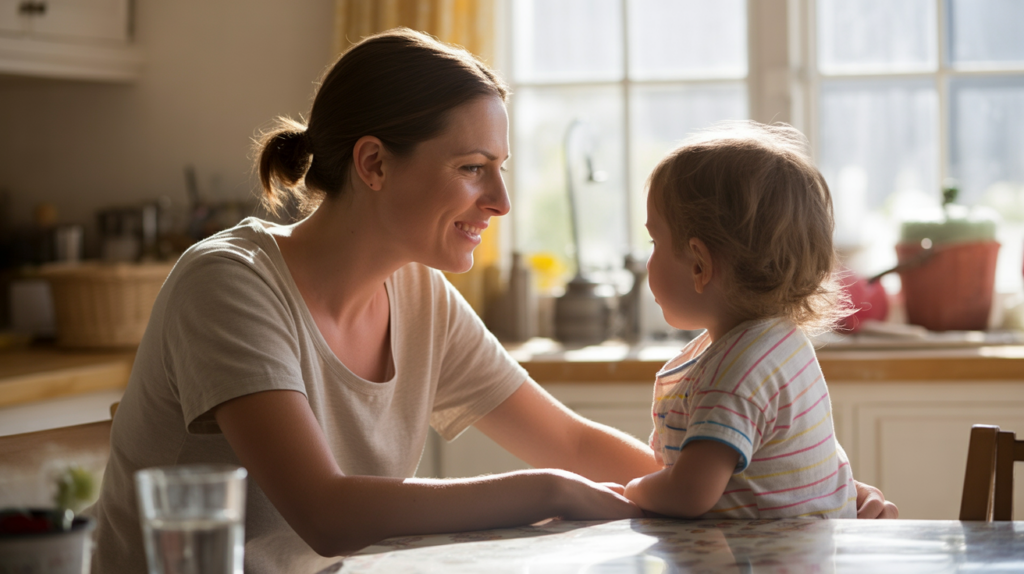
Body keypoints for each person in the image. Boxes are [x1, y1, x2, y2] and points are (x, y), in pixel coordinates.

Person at [86, 29, 895, 574]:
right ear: (373, 164)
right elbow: (324, 514)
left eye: (500, 166)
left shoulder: (421, 299)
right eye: (474, 167)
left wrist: (790, 493)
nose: (502, 199)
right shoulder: (229, 283)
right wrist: (543, 491)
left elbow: (573, 443)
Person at [623, 122, 887, 519]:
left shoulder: (735, 371)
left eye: (654, 243)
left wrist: (633, 488)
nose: (648, 261)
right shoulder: (780, 342)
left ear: (700, 263)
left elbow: (690, 493)